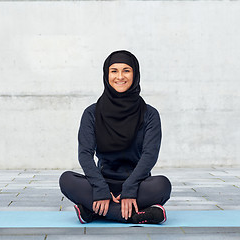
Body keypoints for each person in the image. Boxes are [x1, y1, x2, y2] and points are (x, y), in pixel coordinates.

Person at [59, 50, 171, 224]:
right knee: (66, 180)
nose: (120, 76)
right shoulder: (92, 113)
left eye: (126, 70)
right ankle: (134, 216)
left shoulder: (150, 114)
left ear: (135, 74)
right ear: (106, 75)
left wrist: (130, 188)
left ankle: (95, 212)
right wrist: (100, 188)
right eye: (114, 71)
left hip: (139, 184)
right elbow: (85, 154)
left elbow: (150, 155)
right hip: (102, 183)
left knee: (162, 186)